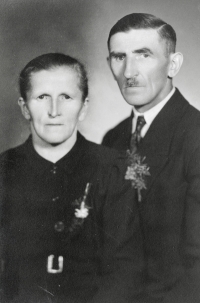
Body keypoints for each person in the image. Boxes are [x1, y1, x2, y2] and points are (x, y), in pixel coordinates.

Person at [0, 53, 143, 303]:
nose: (54, 111)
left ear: (84, 107)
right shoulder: (4, 170)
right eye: (42, 97)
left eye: (66, 97)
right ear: (24, 107)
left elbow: (126, 270)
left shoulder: (112, 170)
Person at [102, 13, 200, 303]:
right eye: (119, 57)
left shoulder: (195, 136)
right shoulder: (113, 138)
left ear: (173, 64)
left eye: (143, 55)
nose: (129, 71)